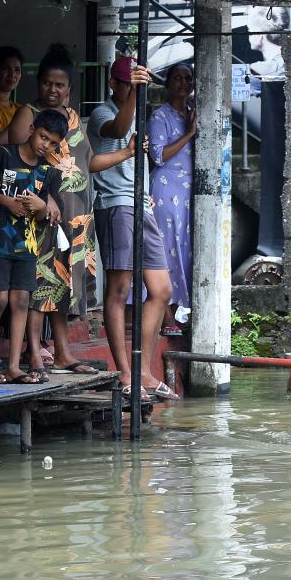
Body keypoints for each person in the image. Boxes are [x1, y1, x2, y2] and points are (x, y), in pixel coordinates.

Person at [9, 44, 136, 378]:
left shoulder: (75, 118)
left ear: (69, 88)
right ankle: (34, 354)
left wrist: (126, 153)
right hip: (43, 216)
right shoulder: (27, 114)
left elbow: (88, 163)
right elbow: (19, 163)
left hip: (77, 218)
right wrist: (44, 198)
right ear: (38, 83)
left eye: (60, 84)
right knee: (41, 284)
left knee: (66, 286)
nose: (53, 89)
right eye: (47, 83)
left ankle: (63, 353)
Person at [88, 56, 178, 401]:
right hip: (116, 204)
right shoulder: (103, 112)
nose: (132, 89)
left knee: (161, 289)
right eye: (127, 83)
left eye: (136, 84)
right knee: (119, 289)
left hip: (142, 203)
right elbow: (117, 128)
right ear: (114, 83)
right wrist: (136, 93)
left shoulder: (138, 112)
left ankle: (143, 371)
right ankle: (125, 373)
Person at [0, 110, 67, 384]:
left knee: (21, 300)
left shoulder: (48, 171)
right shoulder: (3, 155)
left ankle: (14, 366)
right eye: (43, 137)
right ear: (32, 129)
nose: (45, 145)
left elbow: (44, 215)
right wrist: (6, 202)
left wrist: (41, 206)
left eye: (52, 143)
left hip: (27, 245)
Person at [147, 63, 196, 336]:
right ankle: (165, 315)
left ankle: (178, 311)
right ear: (167, 84)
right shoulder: (160, 116)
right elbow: (158, 155)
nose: (183, 83)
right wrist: (188, 134)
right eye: (177, 78)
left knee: (184, 250)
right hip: (166, 191)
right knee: (166, 249)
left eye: (187, 78)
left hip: (188, 192)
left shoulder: (193, 113)